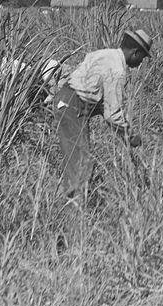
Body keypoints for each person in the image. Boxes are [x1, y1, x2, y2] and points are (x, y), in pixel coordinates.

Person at [51, 29, 153, 201]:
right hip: (73, 107)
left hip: (65, 98)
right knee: (81, 163)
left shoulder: (104, 53)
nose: (140, 62)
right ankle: (74, 213)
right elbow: (112, 114)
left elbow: (88, 86)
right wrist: (128, 136)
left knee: (78, 160)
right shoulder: (117, 71)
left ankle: (75, 205)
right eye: (142, 57)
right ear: (135, 52)